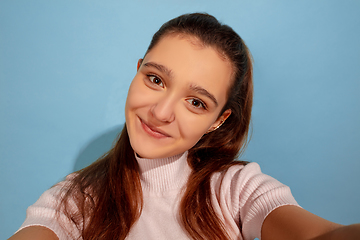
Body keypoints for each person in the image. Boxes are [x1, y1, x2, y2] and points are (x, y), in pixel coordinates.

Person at [9, 13, 360, 240]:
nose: (161, 112)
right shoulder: (74, 199)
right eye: (156, 79)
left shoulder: (235, 189)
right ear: (137, 70)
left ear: (218, 121)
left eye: (196, 102)